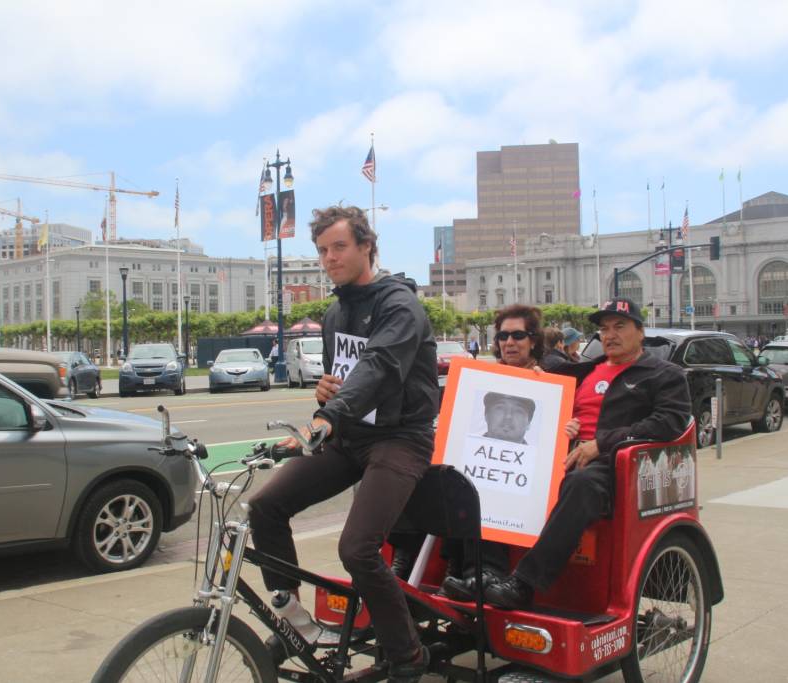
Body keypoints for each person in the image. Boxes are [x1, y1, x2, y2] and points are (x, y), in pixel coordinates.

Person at [248, 205, 439, 682]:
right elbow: (346, 377)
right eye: (321, 250)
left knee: (356, 548)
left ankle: (407, 655)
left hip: (401, 438)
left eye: (338, 247)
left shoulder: (400, 306)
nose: (328, 258)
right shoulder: (335, 311)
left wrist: (327, 415)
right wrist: (326, 392)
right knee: (265, 506)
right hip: (352, 434)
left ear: (366, 247)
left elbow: (377, 366)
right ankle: (292, 621)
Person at [483, 297, 691, 610]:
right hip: (564, 455)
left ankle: (524, 583)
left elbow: (669, 422)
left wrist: (602, 443)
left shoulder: (663, 374)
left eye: (620, 327)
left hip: (614, 465)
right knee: (493, 470)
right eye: (605, 329)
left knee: (580, 484)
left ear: (640, 332)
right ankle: (485, 571)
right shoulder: (583, 370)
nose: (610, 335)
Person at [439, 304, 546, 601]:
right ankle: (444, 565)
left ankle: (482, 572)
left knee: (485, 483)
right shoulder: (483, 376)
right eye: (503, 336)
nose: (509, 342)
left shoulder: (551, 376)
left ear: (533, 340)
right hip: (487, 460)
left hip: (529, 471)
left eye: (518, 335)